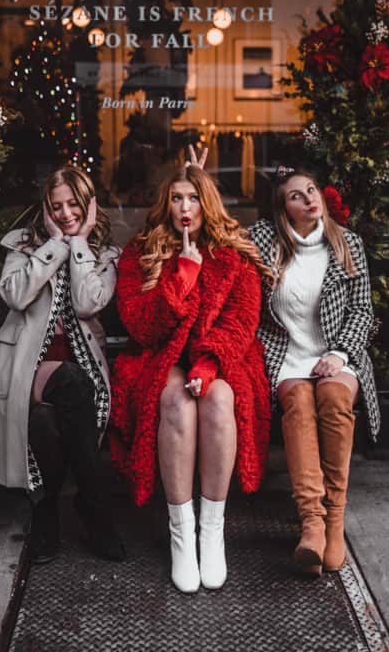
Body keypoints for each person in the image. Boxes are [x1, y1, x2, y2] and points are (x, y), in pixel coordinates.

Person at [109, 162, 271, 593]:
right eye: (177, 197)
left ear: (208, 203)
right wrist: (182, 274)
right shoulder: (140, 252)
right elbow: (140, 326)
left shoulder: (234, 255)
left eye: (194, 197)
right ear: (166, 202)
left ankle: (211, 531)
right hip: (155, 359)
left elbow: (242, 321)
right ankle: (182, 534)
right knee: (177, 403)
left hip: (218, 361)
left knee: (218, 401)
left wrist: (209, 363)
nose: (185, 207)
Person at [0, 164, 125, 563]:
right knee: (70, 382)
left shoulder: (105, 253)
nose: (65, 213)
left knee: (45, 421)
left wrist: (78, 244)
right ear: (45, 208)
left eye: (73, 204)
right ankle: (96, 510)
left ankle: (46, 517)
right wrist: (55, 245)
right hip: (27, 366)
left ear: (89, 205)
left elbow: (87, 302)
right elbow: (16, 296)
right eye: (56, 206)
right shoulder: (24, 244)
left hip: (81, 369)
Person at [250, 168, 380, 576]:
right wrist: (196, 180)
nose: (309, 199)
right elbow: (219, 233)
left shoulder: (347, 243)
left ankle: (334, 519)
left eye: (311, 190)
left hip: (338, 355)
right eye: (295, 196)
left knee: (335, 397)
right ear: (282, 209)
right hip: (288, 356)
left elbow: (362, 311)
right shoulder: (265, 241)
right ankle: (312, 525)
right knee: (299, 403)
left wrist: (340, 354)